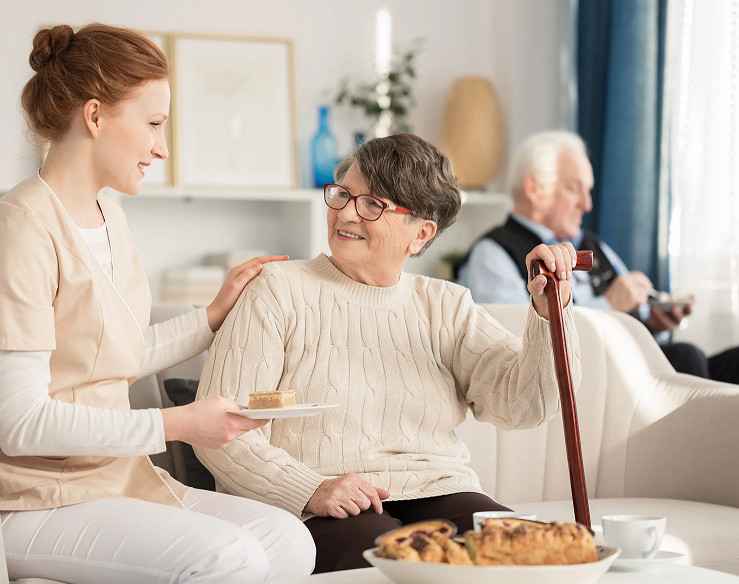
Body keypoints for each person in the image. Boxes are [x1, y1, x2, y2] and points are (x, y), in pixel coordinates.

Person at [0, 24, 315, 584]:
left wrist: (211, 316)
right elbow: (21, 423)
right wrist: (178, 424)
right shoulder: (19, 229)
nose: (162, 147)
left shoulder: (109, 217)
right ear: (95, 117)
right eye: (153, 124)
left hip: (112, 478)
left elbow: (110, 357)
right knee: (232, 557)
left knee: (289, 540)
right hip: (31, 495)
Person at [193, 133, 583, 572]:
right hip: (317, 500)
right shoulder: (277, 289)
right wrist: (309, 489)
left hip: (437, 488)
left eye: (372, 205)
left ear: (420, 234)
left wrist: (551, 314)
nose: (345, 213)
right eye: (342, 195)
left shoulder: (446, 306)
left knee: (521, 554)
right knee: (396, 563)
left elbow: (524, 406)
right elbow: (221, 432)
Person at [456, 130, 739, 390]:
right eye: (575, 188)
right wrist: (609, 306)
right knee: (686, 359)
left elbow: (633, 309)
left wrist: (654, 322)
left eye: (589, 190)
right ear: (534, 188)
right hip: (594, 383)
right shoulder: (493, 254)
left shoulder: (592, 244)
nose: (587, 203)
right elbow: (516, 341)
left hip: (635, 367)